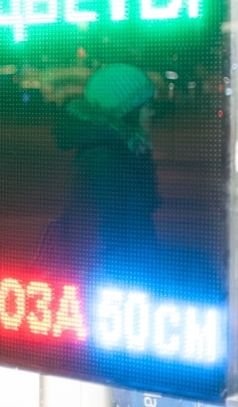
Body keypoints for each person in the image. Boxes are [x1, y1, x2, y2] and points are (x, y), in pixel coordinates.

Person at [37, 63, 161, 283]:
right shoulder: (104, 159)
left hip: (115, 279)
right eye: (147, 105)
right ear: (127, 110)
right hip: (114, 282)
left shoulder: (120, 150)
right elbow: (116, 233)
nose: (152, 111)